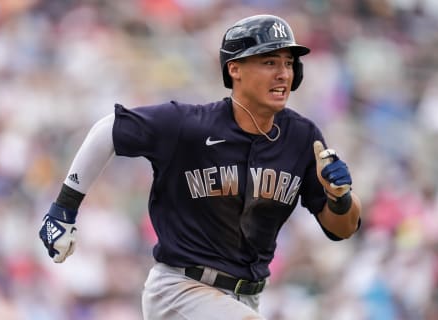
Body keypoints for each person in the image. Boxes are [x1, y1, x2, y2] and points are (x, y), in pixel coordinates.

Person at [39, 14, 362, 320]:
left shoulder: (302, 137)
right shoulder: (189, 125)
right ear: (234, 69)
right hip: (179, 290)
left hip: (244, 298)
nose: (283, 73)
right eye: (269, 62)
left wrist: (340, 197)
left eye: (288, 63)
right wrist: (64, 208)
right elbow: (108, 130)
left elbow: (341, 228)